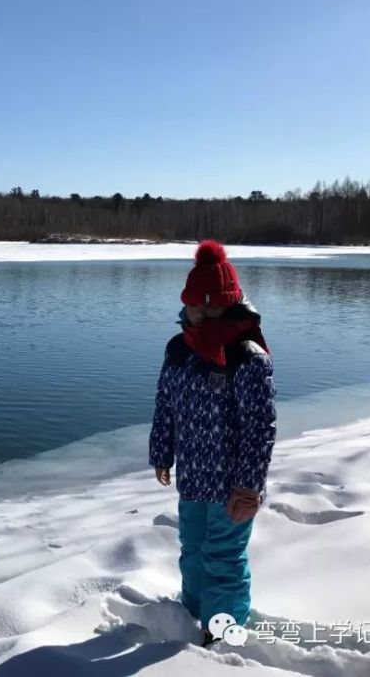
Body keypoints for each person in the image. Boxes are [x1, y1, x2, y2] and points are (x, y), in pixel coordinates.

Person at [149, 239, 277, 646]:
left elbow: (261, 428)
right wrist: (161, 452)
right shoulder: (178, 351)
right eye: (194, 305)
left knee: (223, 558)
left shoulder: (246, 356)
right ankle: (190, 613)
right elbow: (166, 404)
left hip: (232, 487)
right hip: (193, 480)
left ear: (232, 303)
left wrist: (249, 487)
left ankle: (222, 632)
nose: (201, 314)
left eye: (212, 306)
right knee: (193, 550)